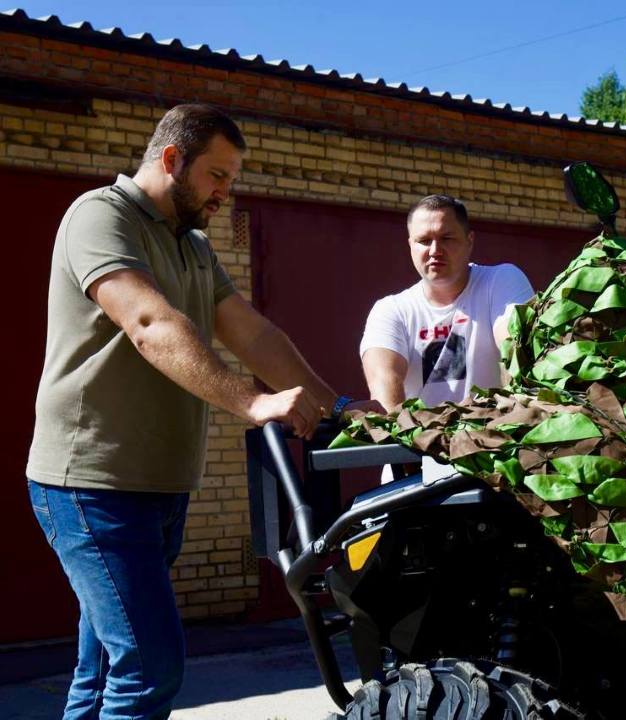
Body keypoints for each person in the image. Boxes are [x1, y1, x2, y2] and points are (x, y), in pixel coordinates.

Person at [25, 103, 380, 720]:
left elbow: (253, 335)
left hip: (159, 487)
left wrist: (339, 406)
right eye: (218, 175)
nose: (226, 192)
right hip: (92, 485)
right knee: (149, 667)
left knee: (105, 670)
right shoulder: (99, 217)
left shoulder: (190, 245)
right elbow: (147, 322)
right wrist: (252, 401)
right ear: (171, 160)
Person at [360, 194, 534, 412]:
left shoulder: (501, 280)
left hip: (494, 435)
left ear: (469, 241)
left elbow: (515, 348)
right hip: (419, 441)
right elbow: (384, 391)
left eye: (447, 238)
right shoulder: (391, 310)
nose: (435, 250)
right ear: (410, 245)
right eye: (424, 241)